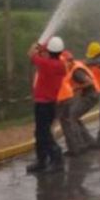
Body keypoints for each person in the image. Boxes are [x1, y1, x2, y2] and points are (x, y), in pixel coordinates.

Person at [28, 36, 67, 173]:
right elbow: (41, 58)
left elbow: (31, 55)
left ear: (49, 51)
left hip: (43, 104)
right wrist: (42, 50)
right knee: (40, 132)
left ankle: (56, 159)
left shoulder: (46, 64)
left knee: (43, 133)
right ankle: (42, 160)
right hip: (51, 103)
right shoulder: (60, 65)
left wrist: (36, 45)